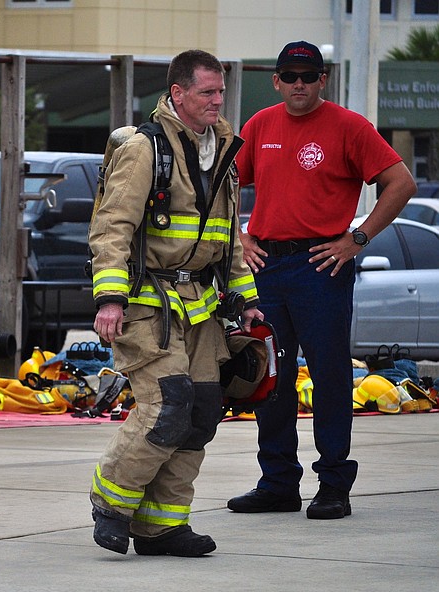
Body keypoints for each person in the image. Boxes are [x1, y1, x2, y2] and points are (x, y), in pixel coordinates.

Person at [228, 41, 416, 519]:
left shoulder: (349, 127)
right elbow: (223, 185)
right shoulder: (260, 125)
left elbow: (401, 183)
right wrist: (240, 238)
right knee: (270, 375)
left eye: (308, 76)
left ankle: (333, 484)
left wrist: (358, 238)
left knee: (329, 375)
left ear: (322, 80)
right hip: (267, 267)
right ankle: (278, 483)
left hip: (321, 266)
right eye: (290, 76)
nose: (299, 84)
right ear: (276, 81)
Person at [88, 49, 264, 556]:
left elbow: (228, 238)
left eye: (221, 92)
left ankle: (162, 526)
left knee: (202, 411)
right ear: (178, 93)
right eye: (207, 92)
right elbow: (112, 227)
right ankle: (111, 503)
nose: (217, 101)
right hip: (148, 305)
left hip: (201, 307)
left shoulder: (223, 149)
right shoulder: (145, 149)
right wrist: (110, 298)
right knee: (167, 405)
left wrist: (246, 301)